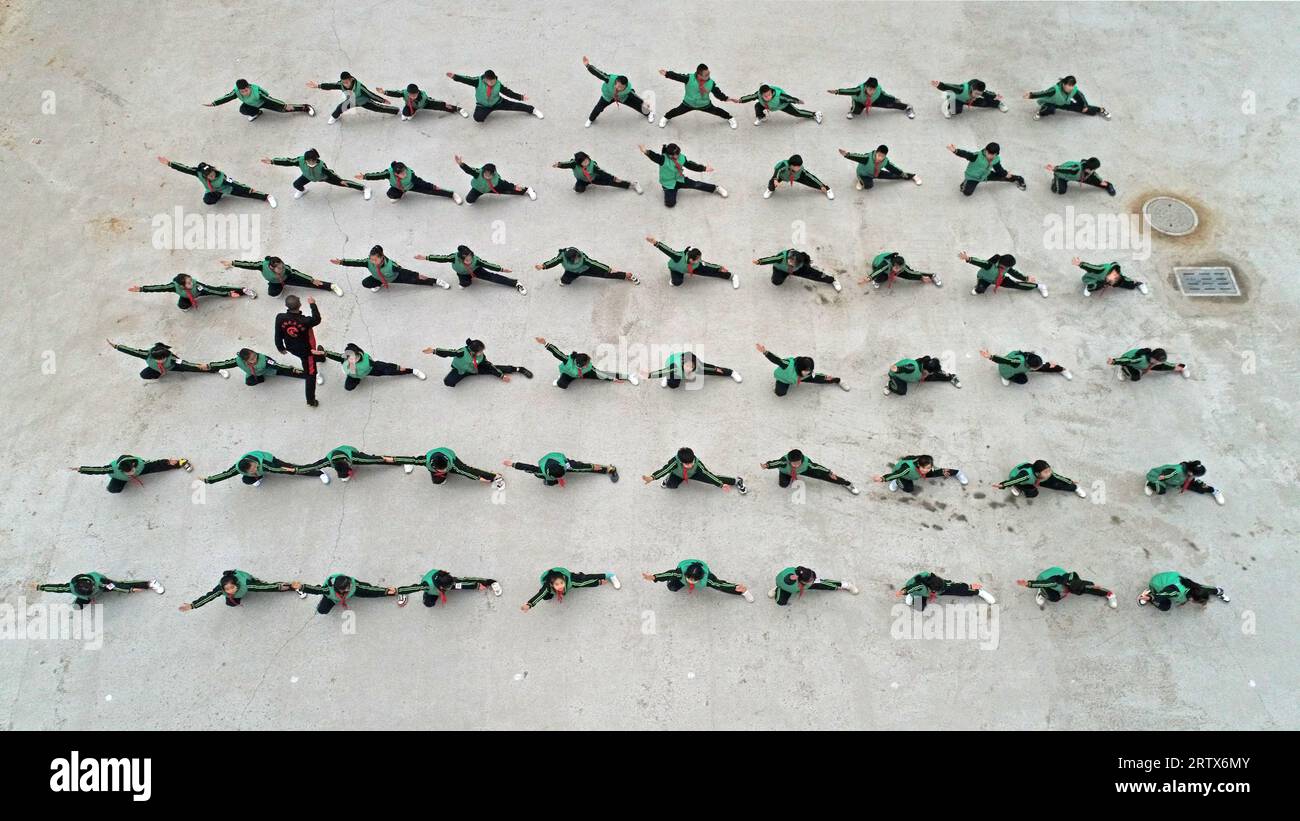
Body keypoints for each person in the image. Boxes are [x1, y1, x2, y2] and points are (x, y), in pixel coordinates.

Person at [157, 156, 275, 207]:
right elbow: (185, 168)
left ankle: (266, 197)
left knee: (246, 193)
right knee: (207, 200)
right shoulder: (199, 174)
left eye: (212, 174)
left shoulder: (221, 177)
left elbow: (234, 183)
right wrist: (169, 163)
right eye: (209, 176)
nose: (212, 176)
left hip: (226, 188)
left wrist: (248, 189)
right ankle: (218, 196)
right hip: (212, 191)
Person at [640, 142, 727, 207]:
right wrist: (646, 152)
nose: (676, 156)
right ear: (669, 155)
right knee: (670, 204)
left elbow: (690, 165)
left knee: (696, 184)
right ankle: (671, 191)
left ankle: (716, 188)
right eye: (673, 155)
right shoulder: (663, 159)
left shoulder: (681, 157)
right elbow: (654, 156)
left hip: (680, 179)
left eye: (677, 154)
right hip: (668, 184)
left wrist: (703, 168)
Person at [274, 294, 324, 407]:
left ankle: (321, 357)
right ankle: (311, 400)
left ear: (286, 306)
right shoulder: (305, 321)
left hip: (291, 347)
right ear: (300, 305)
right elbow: (317, 319)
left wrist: (280, 347)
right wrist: (312, 304)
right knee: (311, 374)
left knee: (315, 357)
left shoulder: (280, 317)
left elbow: (278, 333)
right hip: (307, 352)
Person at [331, 245, 450, 292]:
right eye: (371, 259)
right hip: (379, 278)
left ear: (381, 257)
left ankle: (436, 281)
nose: (372, 261)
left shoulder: (391, 265)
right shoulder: (368, 262)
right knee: (366, 283)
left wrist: (416, 275)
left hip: (395, 277)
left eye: (374, 259)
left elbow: (404, 271)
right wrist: (341, 261)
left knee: (416, 280)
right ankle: (380, 284)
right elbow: (355, 262)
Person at [262, 148, 369, 199]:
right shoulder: (300, 160)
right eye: (308, 161)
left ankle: (364, 188)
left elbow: (331, 173)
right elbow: (288, 161)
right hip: (307, 176)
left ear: (315, 159)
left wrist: (340, 180)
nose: (309, 163)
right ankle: (303, 191)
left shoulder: (321, 166)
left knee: (344, 183)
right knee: (296, 184)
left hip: (323, 177)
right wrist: (273, 161)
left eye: (311, 161)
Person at [423, 339, 533, 386]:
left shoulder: (481, 357)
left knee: (492, 368)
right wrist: (434, 351)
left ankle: (519, 369)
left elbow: (489, 366)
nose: (482, 353)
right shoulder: (462, 352)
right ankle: (465, 375)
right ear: (473, 351)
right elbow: (449, 352)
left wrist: (501, 376)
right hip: (461, 371)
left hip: (475, 369)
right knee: (448, 382)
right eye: (481, 351)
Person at [657, 64, 737, 128]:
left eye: (709, 73)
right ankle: (666, 117)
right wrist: (667, 74)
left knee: (717, 111)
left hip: (705, 105)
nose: (708, 76)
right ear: (699, 75)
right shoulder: (689, 78)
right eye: (706, 75)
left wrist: (728, 99)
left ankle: (730, 117)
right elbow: (678, 76)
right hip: (688, 104)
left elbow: (718, 94)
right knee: (677, 111)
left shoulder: (711, 83)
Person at [417, 246, 525, 293]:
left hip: (476, 270)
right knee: (464, 284)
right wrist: (426, 257)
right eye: (467, 259)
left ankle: (515, 283)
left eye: (471, 258)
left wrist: (501, 269)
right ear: (461, 258)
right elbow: (440, 258)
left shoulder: (476, 260)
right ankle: (466, 282)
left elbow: (488, 265)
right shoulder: (453, 257)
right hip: (462, 274)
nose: (470, 260)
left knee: (492, 277)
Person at [536, 337, 638, 387]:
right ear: (578, 364)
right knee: (561, 384)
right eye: (585, 365)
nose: (588, 365)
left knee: (603, 375)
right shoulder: (567, 360)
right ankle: (561, 378)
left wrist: (612, 379)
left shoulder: (589, 368)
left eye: (587, 363)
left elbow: (601, 374)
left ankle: (629, 376)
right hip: (569, 374)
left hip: (584, 375)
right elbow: (557, 352)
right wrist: (546, 343)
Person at [179, 570, 304, 611]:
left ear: (236, 585)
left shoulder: (247, 585)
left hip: (249, 580)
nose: (230, 591)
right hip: (240, 590)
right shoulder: (220, 590)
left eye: (232, 588)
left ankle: (292, 587)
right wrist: (192, 605)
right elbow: (208, 597)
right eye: (227, 590)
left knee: (261, 585)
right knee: (231, 604)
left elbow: (269, 587)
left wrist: (291, 587)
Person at [447, 69, 543, 121]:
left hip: (498, 102)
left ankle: (533, 110)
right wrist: (455, 77)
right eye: (491, 82)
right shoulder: (478, 81)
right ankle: (486, 112)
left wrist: (521, 97)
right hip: (483, 106)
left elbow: (508, 93)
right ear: (485, 79)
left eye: (494, 81)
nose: (493, 83)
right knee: (477, 118)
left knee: (515, 105)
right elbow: (466, 79)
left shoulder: (497, 84)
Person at [108, 340, 231, 381]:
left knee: (193, 368)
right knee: (144, 374)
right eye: (159, 359)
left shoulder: (172, 360)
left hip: (172, 367)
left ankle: (217, 369)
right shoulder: (147, 355)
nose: (161, 361)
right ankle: (159, 374)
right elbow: (132, 351)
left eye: (163, 358)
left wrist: (207, 366)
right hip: (155, 369)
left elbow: (190, 365)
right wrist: (117, 347)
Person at [641, 446, 747, 494]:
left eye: (692, 462)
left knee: (712, 478)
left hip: (694, 474)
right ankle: (668, 479)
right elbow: (664, 469)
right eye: (687, 464)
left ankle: (737, 480)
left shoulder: (696, 464)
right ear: (681, 461)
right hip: (678, 474)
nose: (690, 465)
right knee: (671, 486)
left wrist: (720, 484)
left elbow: (707, 474)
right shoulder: (674, 462)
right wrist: (652, 477)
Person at [224, 256, 342, 298]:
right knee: (273, 294)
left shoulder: (286, 269)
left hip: (288, 278)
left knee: (310, 283)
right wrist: (233, 263)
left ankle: (331, 286)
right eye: (279, 268)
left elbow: (298, 274)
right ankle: (281, 287)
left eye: (282, 266)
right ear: (271, 267)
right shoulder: (262, 266)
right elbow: (248, 265)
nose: (282, 268)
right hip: (275, 282)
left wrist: (312, 279)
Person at [581, 56, 653, 125]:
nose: (619, 88)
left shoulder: (627, 90)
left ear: (625, 86)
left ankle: (649, 113)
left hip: (622, 97)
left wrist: (644, 102)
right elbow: (599, 74)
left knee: (636, 104)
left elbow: (635, 97)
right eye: (618, 86)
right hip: (608, 96)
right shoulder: (609, 79)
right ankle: (590, 119)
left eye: (622, 87)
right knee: (598, 107)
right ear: (615, 82)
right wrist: (588, 66)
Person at [322, 343, 426, 390]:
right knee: (348, 388)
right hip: (354, 375)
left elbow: (384, 366)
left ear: (358, 354)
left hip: (369, 370)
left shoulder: (367, 361)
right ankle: (359, 378)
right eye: (349, 357)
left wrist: (398, 367)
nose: (351, 359)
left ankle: (413, 371)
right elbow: (335, 356)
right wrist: (324, 353)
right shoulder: (345, 358)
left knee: (389, 371)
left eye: (353, 357)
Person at [645, 236, 737, 288]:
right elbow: (668, 250)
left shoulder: (697, 262)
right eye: (697, 259)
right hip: (676, 269)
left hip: (692, 269)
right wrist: (655, 243)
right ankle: (674, 280)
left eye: (699, 258)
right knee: (677, 282)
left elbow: (708, 265)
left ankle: (731, 276)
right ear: (690, 259)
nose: (699, 260)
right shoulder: (678, 257)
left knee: (710, 271)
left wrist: (720, 267)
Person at [757, 343, 848, 396]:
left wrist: (827, 378)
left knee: (820, 378)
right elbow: (777, 360)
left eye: (809, 371)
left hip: (797, 378)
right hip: (784, 379)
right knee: (780, 394)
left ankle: (838, 380)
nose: (807, 373)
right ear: (800, 368)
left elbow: (816, 376)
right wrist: (765, 352)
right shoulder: (788, 365)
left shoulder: (807, 373)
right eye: (805, 371)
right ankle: (779, 387)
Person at [127, 273, 255, 311]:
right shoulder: (174, 286)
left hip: (199, 293)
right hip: (187, 297)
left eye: (191, 280)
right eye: (189, 283)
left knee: (219, 289)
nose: (192, 282)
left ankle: (243, 290)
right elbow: (158, 288)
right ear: (182, 286)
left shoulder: (197, 286)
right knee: (182, 306)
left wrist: (227, 294)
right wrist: (142, 289)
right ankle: (188, 303)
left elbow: (213, 291)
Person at [306, 72, 398, 123]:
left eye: (346, 82)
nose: (345, 84)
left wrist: (382, 100)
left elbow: (370, 94)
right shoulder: (341, 84)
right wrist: (318, 86)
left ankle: (396, 111)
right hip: (351, 101)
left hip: (364, 101)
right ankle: (335, 117)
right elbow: (331, 85)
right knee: (339, 108)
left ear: (351, 80)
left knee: (379, 108)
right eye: (343, 82)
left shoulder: (360, 87)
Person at [72, 454, 191, 493]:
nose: (131, 473)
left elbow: (156, 464)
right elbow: (97, 470)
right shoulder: (112, 469)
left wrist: (172, 462)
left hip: (140, 470)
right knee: (114, 489)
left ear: (133, 465)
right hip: (119, 478)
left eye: (131, 471)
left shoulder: (140, 464)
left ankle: (177, 464)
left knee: (155, 467)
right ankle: (117, 484)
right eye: (128, 472)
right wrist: (81, 469)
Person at [32, 573, 163, 608]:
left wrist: (131, 590)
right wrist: (39, 587)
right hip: (89, 594)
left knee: (123, 585)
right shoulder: (71, 587)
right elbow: (57, 588)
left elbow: (118, 587)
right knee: (77, 606)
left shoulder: (101, 583)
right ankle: (88, 599)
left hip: (103, 587)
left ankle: (150, 583)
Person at [206, 78, 314, 121]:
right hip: (251, 105)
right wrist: (214, 103)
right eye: (242, 91)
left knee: (283, 110)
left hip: (264, 102)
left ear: (249, 86)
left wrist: (284, 105)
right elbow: (227, 98)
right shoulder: (236, 92)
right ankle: (257, 113)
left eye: (246, 90)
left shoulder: (257, 91)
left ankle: (304, 107)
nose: (244, 92)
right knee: (243, 110)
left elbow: (270, 99)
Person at [643, 560, 754, 602]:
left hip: (704, 578)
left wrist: (735, 587)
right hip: (680, 577)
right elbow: (669, 574)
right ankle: (678, 582)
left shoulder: (707, 580)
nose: (691, 581)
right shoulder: (680, 573)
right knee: (672, 587)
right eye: (689, 578)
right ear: (685, 574)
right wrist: (654, 577)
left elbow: (720, 584)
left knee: (719, 587)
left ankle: (742, 592)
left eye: (694, 580)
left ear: (700, 578)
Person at [358, 160, 461, 204]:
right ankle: (401, 193)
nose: (405, 174)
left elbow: (420, 182)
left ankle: (451, 194)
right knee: (390, 194)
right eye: (402, 174)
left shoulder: (410, 173)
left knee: (429, 190)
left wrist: (432, 186)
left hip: (411, 185)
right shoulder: (388, 173)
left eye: (405, 171)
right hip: (398, 187)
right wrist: (365, 176)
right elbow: (378, 175)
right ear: (396, 174)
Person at [760, 449, 858, 494]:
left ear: (801, 459)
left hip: (804, 470)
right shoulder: (783, 461)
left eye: (798, 462)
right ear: (789, 461)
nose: (795, 465)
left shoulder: (806, 463)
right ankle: (789, 477)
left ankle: (847, 483)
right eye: (793, 463)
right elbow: (774, 463)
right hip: (786, 472)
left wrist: (829, 472)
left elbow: (818, 467)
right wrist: (767, 465)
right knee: (783, 485)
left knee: (825, 476)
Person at [210, 347, 319, 388]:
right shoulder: (238, 361)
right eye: (251, 360)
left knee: (286, 372)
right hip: (253, 373)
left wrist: (291, 369)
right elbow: (224, 364)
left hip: (268, 369)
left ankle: (311, 375)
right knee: (249, 382)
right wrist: (210, 366)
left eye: (255, 356)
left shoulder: (264, 360)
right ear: (245, 361)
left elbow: (279, 366)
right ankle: (260, 378)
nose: (255, 359)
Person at [203, 451, 325, 486]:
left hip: (271, 461)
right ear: (245, 471)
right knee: (246, 481)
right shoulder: (237, 468)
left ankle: (317, 472)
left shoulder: (264, 464)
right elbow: (225, 475)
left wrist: (293, 471)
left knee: (292, 468)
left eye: (255, 466)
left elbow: (280, 470)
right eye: (253, 469)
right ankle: (258, 476)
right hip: (258, 471)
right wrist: (208, 480)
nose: (255, 467)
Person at [395, 447, 503, 487]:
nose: (443, 471)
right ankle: (440, 476)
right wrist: (390, 459)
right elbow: (411, 460)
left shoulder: (454, 465)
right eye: (441, 470)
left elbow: (468, 472)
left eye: (444, 469)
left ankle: (494, 476)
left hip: (452, 458)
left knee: (465, 468)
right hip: (438, 464)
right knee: (437, 482)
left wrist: (484, 478)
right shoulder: (425, 461)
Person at [522, 568, 620, 611]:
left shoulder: (571, 581)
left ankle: (610, 575)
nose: (560, 586)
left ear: (564, 580)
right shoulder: (547, 587)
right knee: (546, 597)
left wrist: (598, 582)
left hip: (569, 577)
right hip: (551, 582)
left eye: (561, 583)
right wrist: (529, 605)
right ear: (551, 584)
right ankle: (553, 592)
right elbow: (539, 595)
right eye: (557, 584)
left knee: (583, 579)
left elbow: (585, 581)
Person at [396, 569, 502, 608]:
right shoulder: (426, 586)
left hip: (441, 587)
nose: (451, 586)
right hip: (433, 592)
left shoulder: (447, 578)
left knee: (461, 583)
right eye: (449, 587)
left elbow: (465, 580)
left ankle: (488, 582)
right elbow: (413, 588)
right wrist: (398, 591)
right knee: (428, 604)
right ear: (442, 587)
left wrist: (482, 584)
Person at [948, 142, 1026, 196]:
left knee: (1003, 176)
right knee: (966, 193)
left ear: (996, 154)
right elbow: (966, 154)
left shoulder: (996, 159)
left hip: (986, 175)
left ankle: (1018, 178)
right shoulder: (977, 156)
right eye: (988, 153)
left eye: (993, 154)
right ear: (985, 150)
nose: (989, 156)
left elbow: (999, 170)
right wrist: (956, 151)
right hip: (973, 177)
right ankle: (965, 184)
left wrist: (1006, 174)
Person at [1018, 568, 1116, 609]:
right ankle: (1042, 593)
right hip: (1043, 579)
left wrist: (1106, 592)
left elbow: (1087, 585)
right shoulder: (1053, 582)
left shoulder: (1075, 581)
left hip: (1058, 573)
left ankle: (1109, 595)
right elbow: (1040, 583)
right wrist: (1028, 583)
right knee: (1054, 598)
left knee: (1085, 588)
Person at [537, 247, 638, 286]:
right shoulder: (562, 256)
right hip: (571, 272)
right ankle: (565, 281)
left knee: (606, 274)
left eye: (578, 256)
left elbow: (595, 263)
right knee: (564, 281)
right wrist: (543, 266)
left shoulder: (583, 258)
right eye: (575, 258)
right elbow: (553, 261)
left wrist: (609, 269)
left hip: (587, 269)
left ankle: (626, 276)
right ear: (569, 259)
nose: (578, 258)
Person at [503, 452, 619, 486]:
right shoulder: (541, 471)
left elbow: (588, 467)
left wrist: (607, 468)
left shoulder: (566, 465)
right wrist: (513, 464)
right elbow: (527, 467)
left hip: (560, 462)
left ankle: (609, 469)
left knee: (583, 467)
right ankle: (551, 482)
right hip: (547, 470)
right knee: (543, 478)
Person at [301, 445, 406, 483]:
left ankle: (402, 461)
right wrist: (295, 470)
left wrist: (401, 461)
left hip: (351, 451)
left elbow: (380, 459)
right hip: (339, 459)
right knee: (343, 476)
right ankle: (343, 474)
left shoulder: (355, 458)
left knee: (373, 459)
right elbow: (311, 466)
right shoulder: (327, 461)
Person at [301, 574, 398, 614]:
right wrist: (302, 587)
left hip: (352, 593)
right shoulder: (327, 590)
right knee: (322, 610)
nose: (350, 587)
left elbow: (371, 590)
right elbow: (315, 590)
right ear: (339, 589)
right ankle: (331, 600)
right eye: (347, 588)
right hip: (332, 598)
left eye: (349, 585)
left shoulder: (354, 586)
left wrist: (386, 591)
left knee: (367, 590)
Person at [456, 154, 536, 202]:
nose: (486, 176)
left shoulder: (496, 180)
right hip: (478, 189)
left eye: (489, 174)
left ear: (493, 174)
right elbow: (469, 170)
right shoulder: (477, 173)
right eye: (485, 173)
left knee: (510, 189)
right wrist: (461, 164)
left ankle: (528, 190)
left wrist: (516, 187)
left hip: (493, 187)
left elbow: (508, 185)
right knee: (469, 200)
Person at [1024, 75, 1110, 120]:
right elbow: (1043, 93)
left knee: (1084, 108)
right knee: (1049, 109)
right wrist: (1031, 95)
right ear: (1064, 84)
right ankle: (1040, 113)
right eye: (1069, 85)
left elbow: (1081, 97)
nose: (1071, 88)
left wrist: (1084, 106)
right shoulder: (1055, 89)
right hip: (1052, 102)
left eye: (1073, 85)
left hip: (1065, 103)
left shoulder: (1074, 90)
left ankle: (1101, 110)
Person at [553, 151, 641, 195]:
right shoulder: (574, 164)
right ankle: (579, 186)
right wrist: (559, 165)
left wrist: (613, 178)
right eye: (584, 162)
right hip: (581, 179)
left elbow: (602, 173)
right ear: (579, 163)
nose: (587, 163)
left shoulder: (593, 165)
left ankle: (632, 184)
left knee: (611, 182)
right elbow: (566, 164)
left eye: (587, 160)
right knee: (579, 190)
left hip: (594, 178)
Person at [644, 350, 742, 388]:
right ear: (682, 364)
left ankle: (732, 373)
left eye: (692, 367)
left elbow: (713, 369)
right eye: (687, 366)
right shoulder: (675, 367)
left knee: (707, 370)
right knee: (673, 385)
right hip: (672, 367)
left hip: (682, 369)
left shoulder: (698, 366)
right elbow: (662, 371)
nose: (689, 368)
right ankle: (668, 377)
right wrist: (649, 375)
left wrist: (730, 372)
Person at [897, 571, 994, 610]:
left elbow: (958, 586)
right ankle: (911, 595)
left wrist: (972, 588)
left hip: (928, 590)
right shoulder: (918, 586)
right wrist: (906, 592)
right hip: (917, 592)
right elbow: (908, 588)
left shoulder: (941, 583)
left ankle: (980, 592)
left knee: (958, 589)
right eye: (934, 592)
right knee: (919, 608)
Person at [754, 249, 841, 291]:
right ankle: (786, 274)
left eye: (794, 263)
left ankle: (832, 279)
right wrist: (759, 261)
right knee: (776, 282)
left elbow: (806, 259)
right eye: (790, 261)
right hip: (780, 270)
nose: (791, 263)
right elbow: (770, 259)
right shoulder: (781, 257)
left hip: (797, 270)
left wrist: (806, 265)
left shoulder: (801, 258)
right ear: (789, 257)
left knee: (816, 274)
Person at [827, 76, 914, 119]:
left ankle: (907, 107)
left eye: (874, 89)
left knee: (891, 103)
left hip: (874, 100)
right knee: (856, 112)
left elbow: (884, 94)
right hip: (860, 102)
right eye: (870, 89)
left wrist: (894, 98)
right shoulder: (858, 90)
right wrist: (837, 91)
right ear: (865, 87)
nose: (872, 91)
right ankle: (852, 111)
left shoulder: (877, 90)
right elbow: (849, 91)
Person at [994, 460, 1088, 499]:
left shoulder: (1047, 473)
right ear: (1038, 473)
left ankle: (1075, 488)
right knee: (1033, 493)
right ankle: (1019, 487)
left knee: (1056, 484)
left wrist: (1070, 481)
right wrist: (1003, 485)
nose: (1049, 473)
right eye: (1046, 471)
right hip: (1018, 478)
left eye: (1049, 470)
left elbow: (1058, 477)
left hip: (1037, 479)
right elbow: (1015, 479)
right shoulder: (1026, 475)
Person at [839, 145, 921, 190]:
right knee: (869, 186)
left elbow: (894, 169)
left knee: (894, 175)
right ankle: (861, 181)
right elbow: (857, 156)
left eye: (882, 156)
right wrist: (847, 155)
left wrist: (903, 174)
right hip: (864, 174)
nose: (880, 158)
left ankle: (913, 176)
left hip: (876, 173)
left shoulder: (885, 161)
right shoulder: (867, 157)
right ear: (876, 153)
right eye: (879, 155)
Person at [1145, 460, 1225, 505]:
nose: (1196, 477)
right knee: (1161, 491)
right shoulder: (1176, 471)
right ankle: (1150, 484)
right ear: (1191, 472)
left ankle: (1214, 491)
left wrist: (1187, 481)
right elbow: (1161, 477)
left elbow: (1189, 480)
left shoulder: (1189, 472)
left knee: (1198, 485)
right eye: (1196, 475)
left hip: (1178, 481)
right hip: (1158, 477)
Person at [376, 82, 467, 121]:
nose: (412, 97)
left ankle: (458, 109)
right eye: (410, 95)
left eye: (414, 95)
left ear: (418, 92)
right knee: (405, 113)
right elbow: (396, 93)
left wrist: (444, 104)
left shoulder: (423, 96)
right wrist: (384, 92)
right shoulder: (404, 93)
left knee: (441, 106)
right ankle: (413, 112)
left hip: (424, 104)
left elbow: (434, 101)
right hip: (411, 106)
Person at [769, 566, 858, 606]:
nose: (813, 580)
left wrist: (809, 583)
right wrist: (780, 587)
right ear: (801, 581)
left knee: (824, 584)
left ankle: (847, 585)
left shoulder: (795, 571)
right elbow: (780, 582)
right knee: (780, 602)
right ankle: (778, 589)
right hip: (786, 588)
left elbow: (818, 582)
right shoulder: (790, 586)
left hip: (796, 586)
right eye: (811, 580)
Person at [874, 455, 967, 493]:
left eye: (929, 468)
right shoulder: (907, 469)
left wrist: (933, 470)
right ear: (919, 465)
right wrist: (883, 478)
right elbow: (896, 473)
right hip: (905, 476)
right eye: (924, 468)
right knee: (909, 489)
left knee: (940, 471)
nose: (927, 470)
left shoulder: (926, 465)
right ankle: (897, 482)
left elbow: (935, 469)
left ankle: (958, 473)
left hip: (917, 473)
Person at [1138, 572, 1229, 611]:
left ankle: (1150, 595)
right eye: (1199, 602)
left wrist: (1219, 591)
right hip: (1157, 584)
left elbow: (1209, 589)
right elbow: (1161, 595)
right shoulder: (1175, 591)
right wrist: (1151, 597)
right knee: (1165, 607)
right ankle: (1148, 593)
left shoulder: (1196, 587)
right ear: (1192, 599)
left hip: (1169, 578)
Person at [739, 83, 821, 125]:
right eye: (765, 96)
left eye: (769, 95)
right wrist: (740, 100)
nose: (768, 97)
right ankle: (761, 117)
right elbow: (750, 97)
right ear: (761, 95)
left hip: (781, 105)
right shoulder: (758, 94)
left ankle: (814, 114)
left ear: (771, 92)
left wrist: (797, 101)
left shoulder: (779, 97)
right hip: (767, 105)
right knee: (757, 106)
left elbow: (788, 98)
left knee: (797, 113)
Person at [979, 348, 1071, 384]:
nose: (1038, 368)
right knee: (1023, 380)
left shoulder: (1030, 359)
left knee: (1045, 366)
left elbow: (1043, 365)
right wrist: (990, 356)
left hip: (1021, 368)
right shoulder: (1017, 362)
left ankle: (1062, 370)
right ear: (1030, 366)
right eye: (1036, 368)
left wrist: (1058, 367)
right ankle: (1006, 377)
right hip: (1006, 371)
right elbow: (1004, 360)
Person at [857, 251, 940, 290]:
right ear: (892, 265)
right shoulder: (885, 265)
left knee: (909, 275)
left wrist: (923, 276)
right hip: (877, 264)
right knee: (882, 277)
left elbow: (912, 272)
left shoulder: (902, 266)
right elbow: (877, 271)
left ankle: (933, 276)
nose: (899, 270)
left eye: (900, 268)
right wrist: (867, 279)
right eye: (896, 268)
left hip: (890, 268)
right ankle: (876, 281)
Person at [764, 154, 834, 200]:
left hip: (797, 177)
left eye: (800, 166)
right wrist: (776, 180)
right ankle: (770, 190)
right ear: (791, 165)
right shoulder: (783, 164)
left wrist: (822, 185)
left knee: (812, 182)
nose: (800, 167)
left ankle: (827, 190)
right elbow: (777, 170)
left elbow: (811, 177)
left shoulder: (800, 169)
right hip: (782, 176)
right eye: (798, 167)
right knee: (771, 185)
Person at [885, 355, 960, 395]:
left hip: (915, 375)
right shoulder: (912, 368)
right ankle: (890, 384)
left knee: (935, 375)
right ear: (925, 370)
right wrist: (897, 369)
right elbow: (894, 368)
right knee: (902, 391)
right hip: (898, 377)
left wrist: (925, 375)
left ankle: (951, 377)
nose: (928, 375)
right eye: (928, 373)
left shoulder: (925, 363)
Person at [931, 78, 1006, 117]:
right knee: (956, 111)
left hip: (970, 100)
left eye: (979, 94)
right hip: (958, 99)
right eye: (976, 93)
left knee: (984, 102)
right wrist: (940, 85)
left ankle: (999, 104)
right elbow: (950, 87)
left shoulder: (981, 92)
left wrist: (995, 97)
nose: (977, 95)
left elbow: (991, 94)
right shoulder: (961, 89)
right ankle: (948, 103)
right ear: (972, 89)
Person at [1075, 257, 1148, 296]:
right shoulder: (1102, 269)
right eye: (1110, 282)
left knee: (1124, 281)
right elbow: (1091, 267)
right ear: (1113, 274)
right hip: (1092, 278)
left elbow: (1122, 280)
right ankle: (1089, 288)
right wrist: (1080, 264)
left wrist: (1133, 282)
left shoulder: (1117, 275)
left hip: (1106, 279)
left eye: (1111, 283)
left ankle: (1139, 284)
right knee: (1095, 285)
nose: (1110, 284)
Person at [1108, 347, 1188, 381]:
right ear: (1152, 357)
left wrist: (1179, 368)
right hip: (1129, 362)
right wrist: (1114, 361)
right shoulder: (1140, 359)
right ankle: (1123, 369)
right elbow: (1128, 360)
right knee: (1135, 377)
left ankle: (1182, 367)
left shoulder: (1155, 361)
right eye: (1157, 361)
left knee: (1165, 366)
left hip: (1146, 364)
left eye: (1159, 362)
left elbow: (1164, 364)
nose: (1158, 363)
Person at [1047, 157, 1115, 196]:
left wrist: (1101, 181)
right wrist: (1055, 168)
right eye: (1094, 169)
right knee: (1060, 191)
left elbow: (1094, 174)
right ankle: (1055, 181)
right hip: (1062, 176)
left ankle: (1108, 186)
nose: (1094, 170)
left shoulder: (1088, 168)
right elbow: (1065, 170)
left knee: (1096, 180)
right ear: (1089, 169)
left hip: (1078, 176)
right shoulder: (1075, 169)